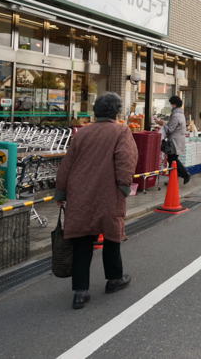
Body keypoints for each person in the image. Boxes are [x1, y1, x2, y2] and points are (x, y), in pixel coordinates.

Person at [54, 92, 139, 310]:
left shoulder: (82, 133)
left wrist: (61, 192)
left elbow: (67, 163)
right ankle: (114, 279)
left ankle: (80, 292)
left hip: (79, 192)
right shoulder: (121, 131)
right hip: (108, 191)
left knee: (82, 239)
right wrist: (124, 186)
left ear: (95, 111)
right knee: (112, 235)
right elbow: (126, 159)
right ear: (116, 111)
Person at [166, 95, 191, 185]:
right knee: (172, 159)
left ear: (174, 104)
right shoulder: (180, 114)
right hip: (178, 140)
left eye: (171, 104)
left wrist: (163, 124)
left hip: (174, 141)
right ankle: (172, 180)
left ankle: (185, 174)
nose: (170, 106)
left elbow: (170, 129)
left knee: (172, 160)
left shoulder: (176, 115)